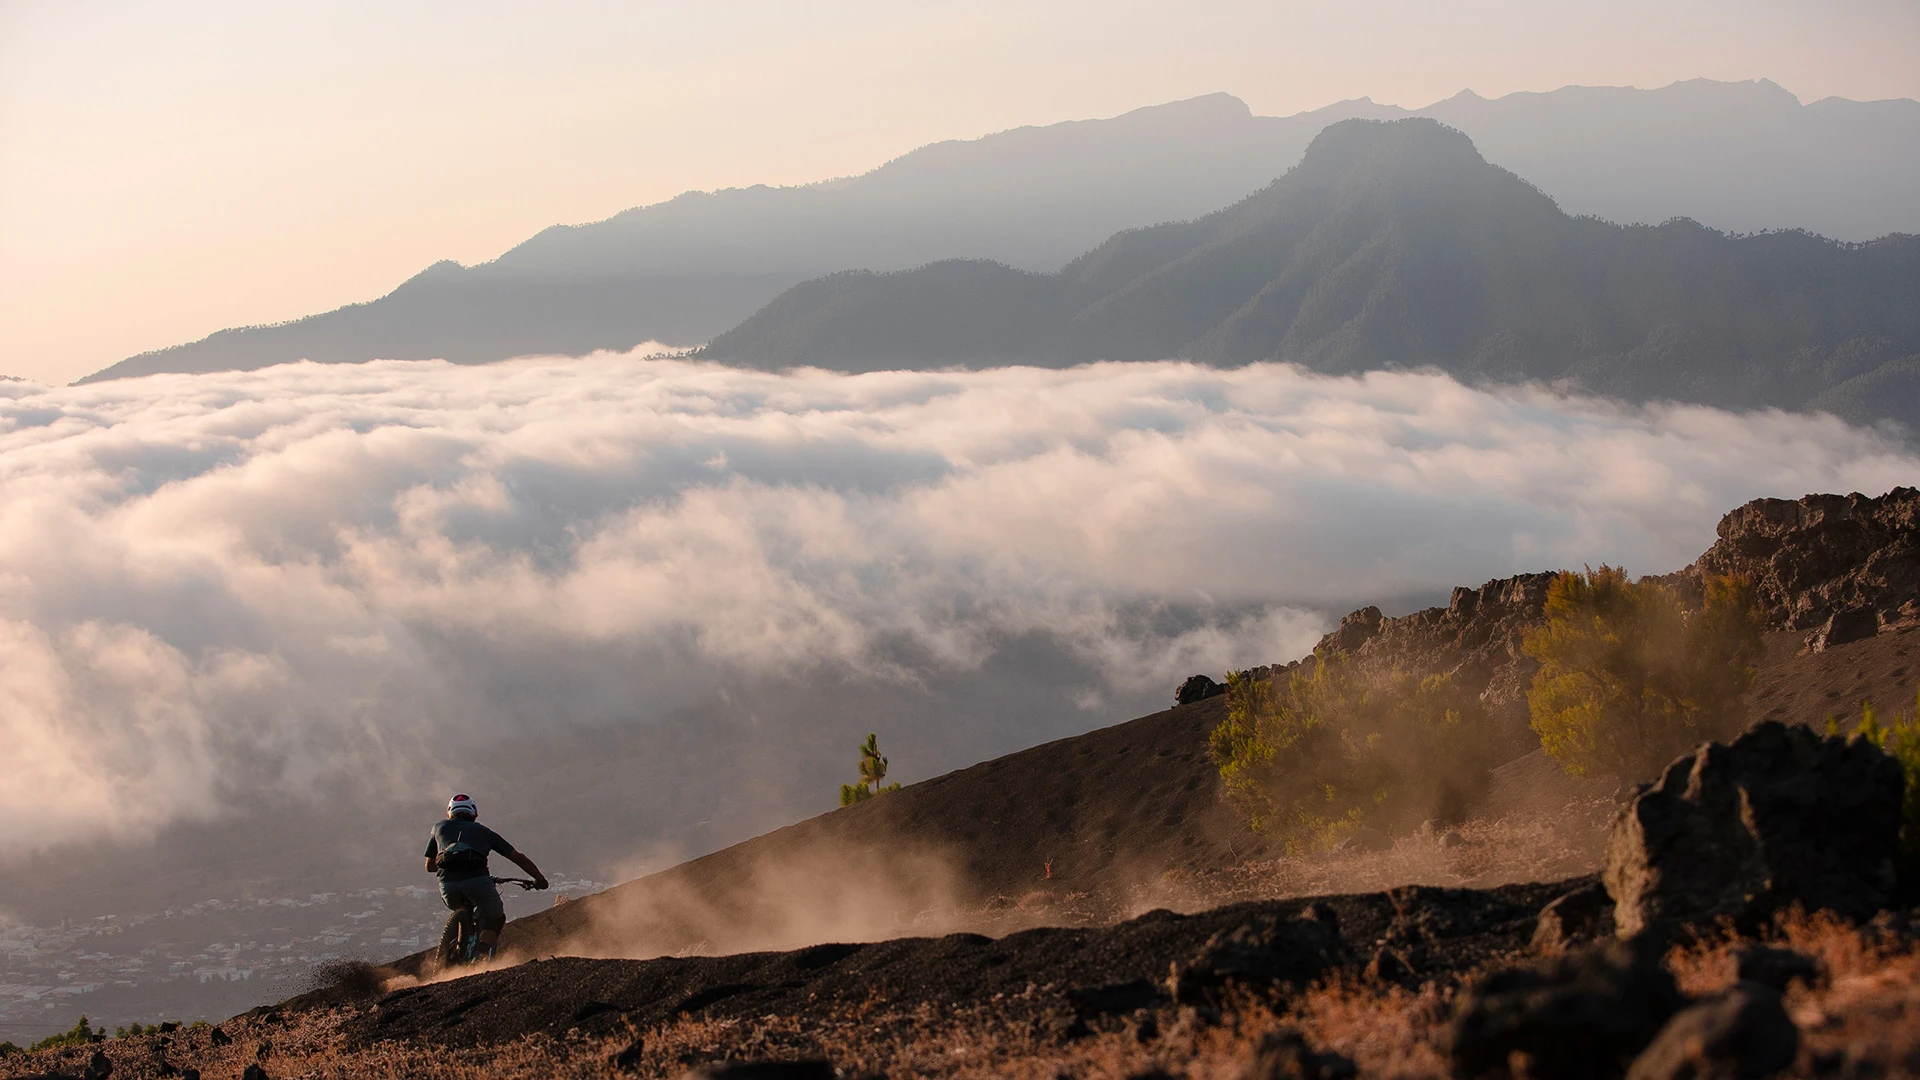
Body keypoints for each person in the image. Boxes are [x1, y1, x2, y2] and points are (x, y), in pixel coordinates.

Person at [424, 793, 547, 960]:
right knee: (496, 916)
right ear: (474, 813)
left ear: (449, 812)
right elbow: (518, 857)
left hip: (448, 888)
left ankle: (451, 953)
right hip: (478, 882)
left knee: (460, 906)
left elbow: (430, 866)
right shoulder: (485, 832)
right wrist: (539, 879)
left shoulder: (438, 828)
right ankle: (481, 955)